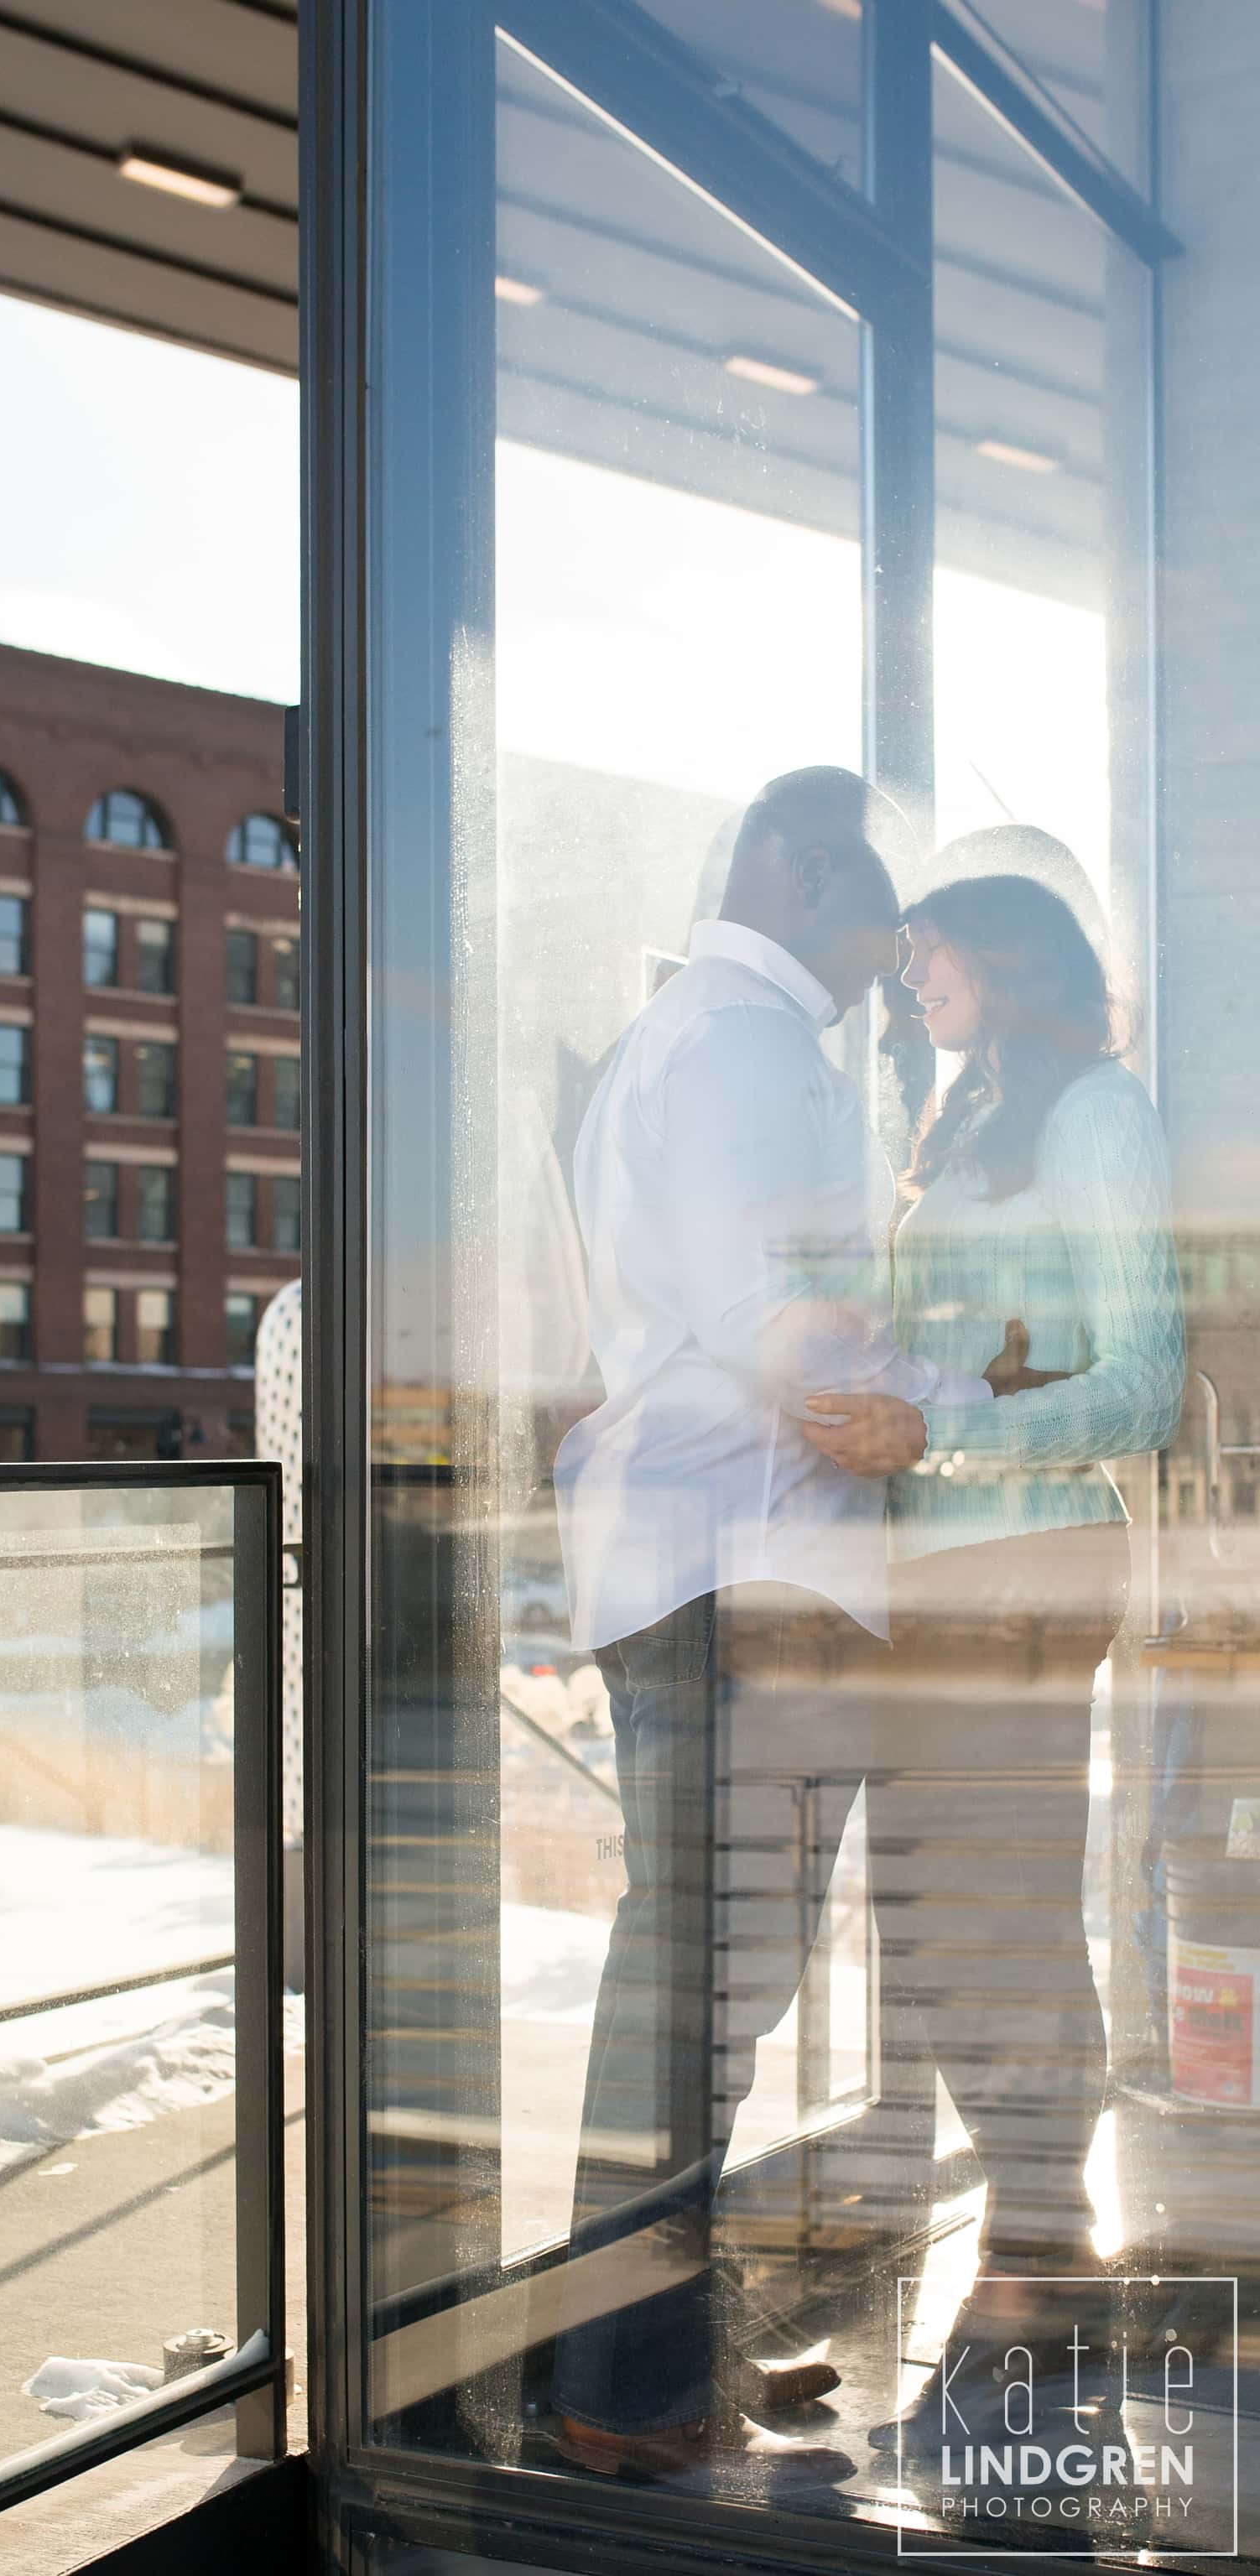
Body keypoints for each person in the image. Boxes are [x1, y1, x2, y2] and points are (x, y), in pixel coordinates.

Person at [550, 771, 1017, 2487]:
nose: (894, 957)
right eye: (872, 912)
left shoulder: (701, 1036)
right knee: (696, 1999)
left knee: (689, 1994)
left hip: (704, 1573)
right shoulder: (743, 1045)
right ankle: (620, 2390)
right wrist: (974, 1393)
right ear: (798, 867)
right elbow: (781, 1328)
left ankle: (638, 2361)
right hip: (736, 1579)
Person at [803, 846, 1184, 2445]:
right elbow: (960, 1346)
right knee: (941, 1906)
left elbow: (1141, 1383)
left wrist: (938, 1442)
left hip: (1030, 1563)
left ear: (1010, 956)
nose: (908, 970)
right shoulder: (962, 1115)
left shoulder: (1101, 1117)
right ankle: (1053, 2245)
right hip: (944, 1574)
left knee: (999, 1905)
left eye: (931, 948)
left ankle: (1036, 2252)